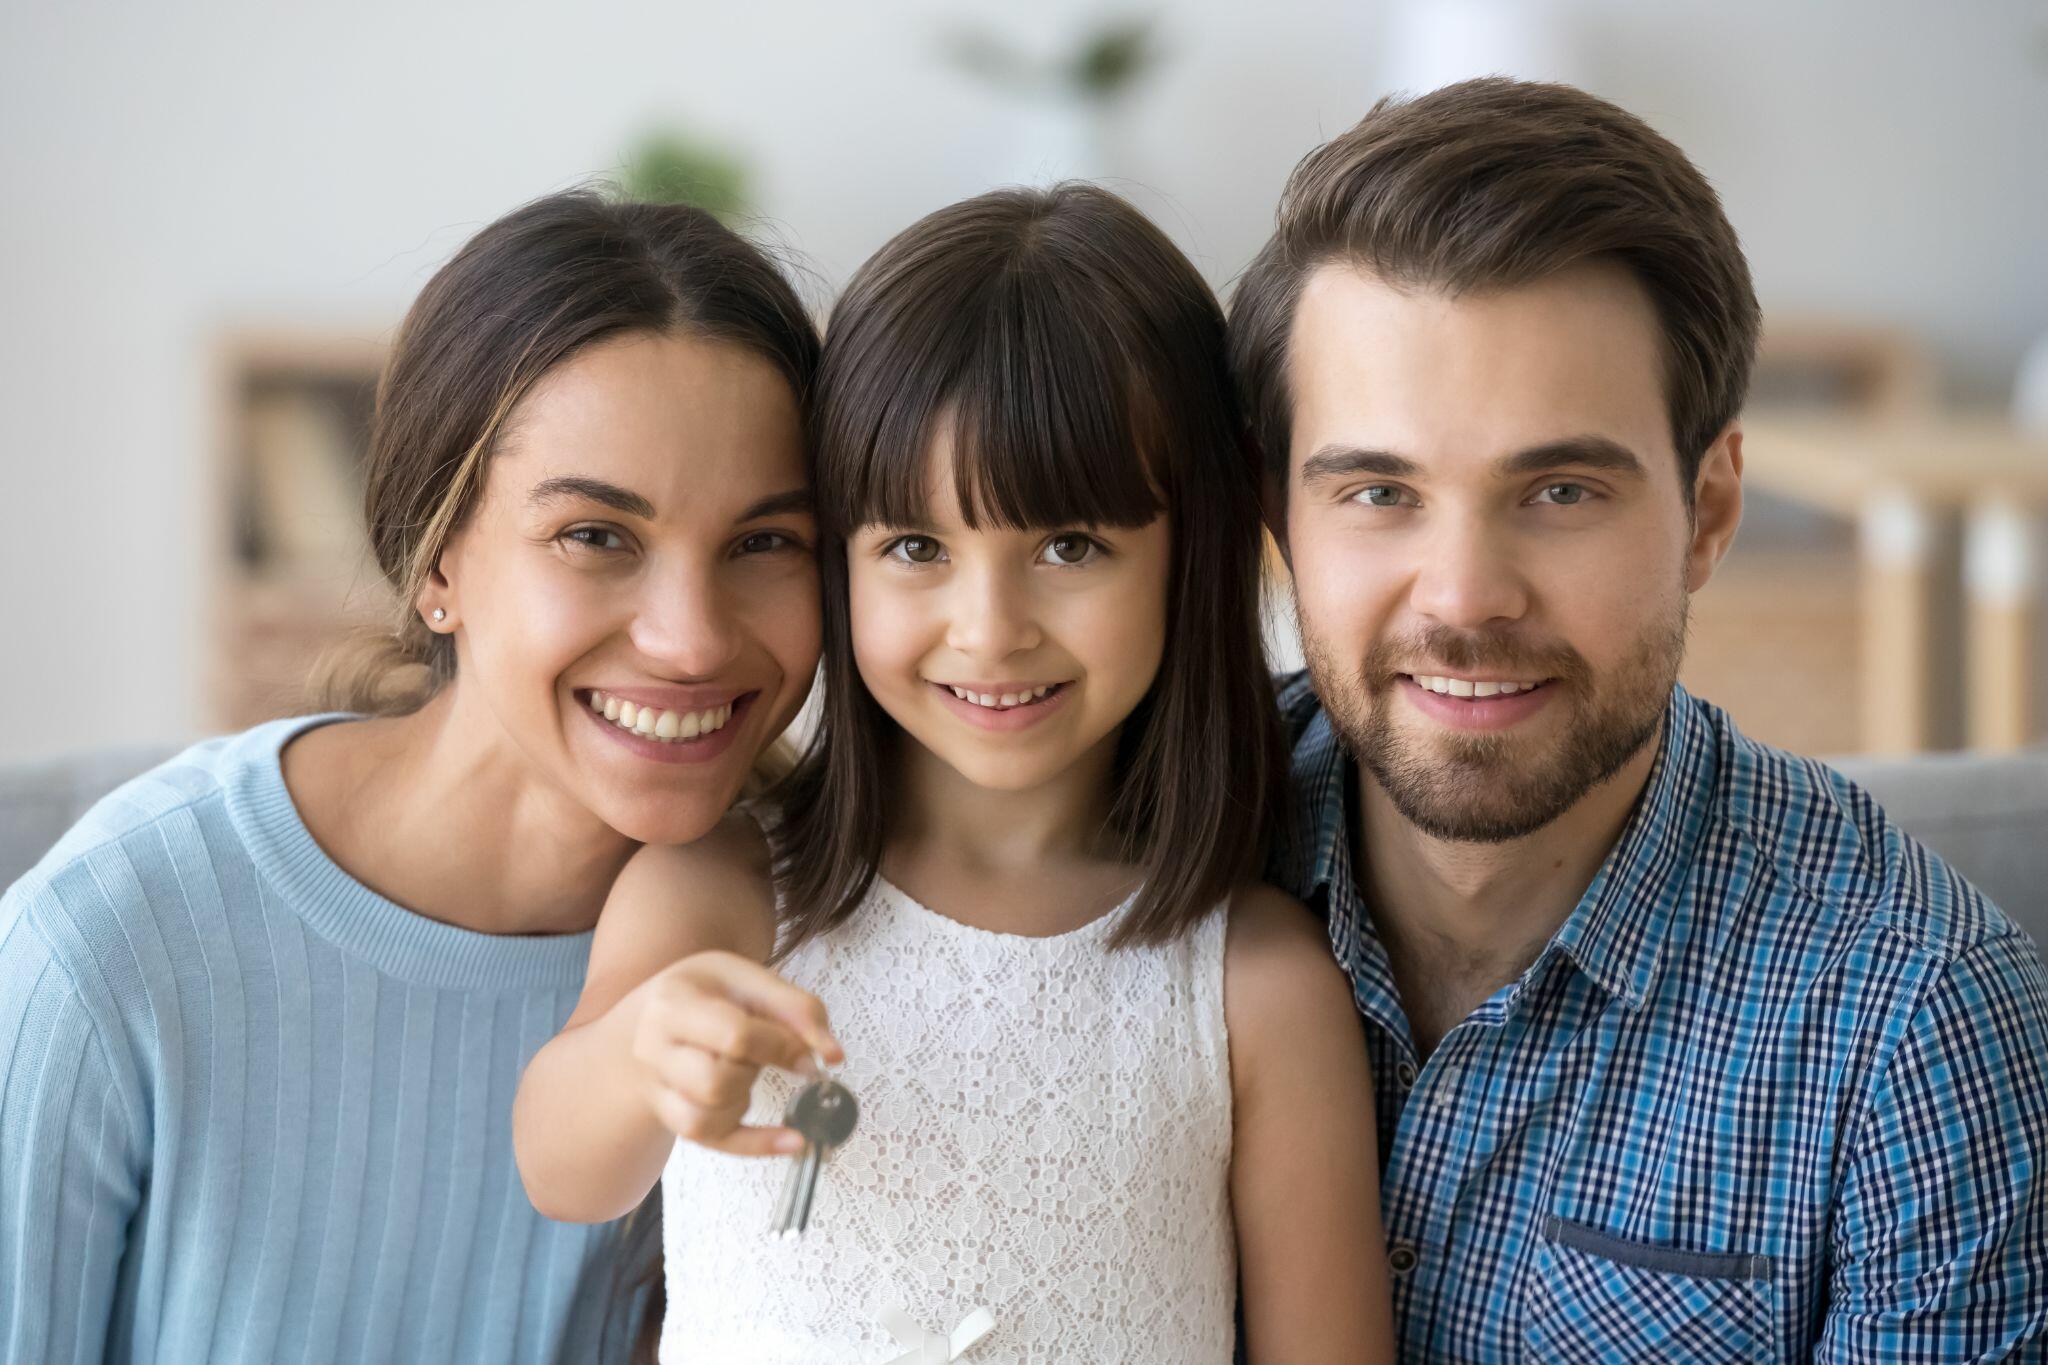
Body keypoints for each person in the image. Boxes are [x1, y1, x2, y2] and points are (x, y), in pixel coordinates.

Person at [1231, 77, 2048, 1359]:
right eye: (1379, 491)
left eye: (1558, 490)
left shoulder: (1911, 1035)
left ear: (1707, 510)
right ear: (1277, 518)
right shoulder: (1127, 865)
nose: (1463, 598)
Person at [514, 183, 1396, 1363]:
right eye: (916, 548)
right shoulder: (726, 891)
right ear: (839, 559)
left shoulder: (1257, 989)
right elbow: (562, 1168)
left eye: (1069, 546)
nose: (988, 630)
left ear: (1198, 555)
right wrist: (641, 1056)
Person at [0, 189, 822, 1363]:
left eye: (763, 543)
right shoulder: (107, 945)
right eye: (596, 536)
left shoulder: (814, 940)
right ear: (436, 560)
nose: (691, 639)